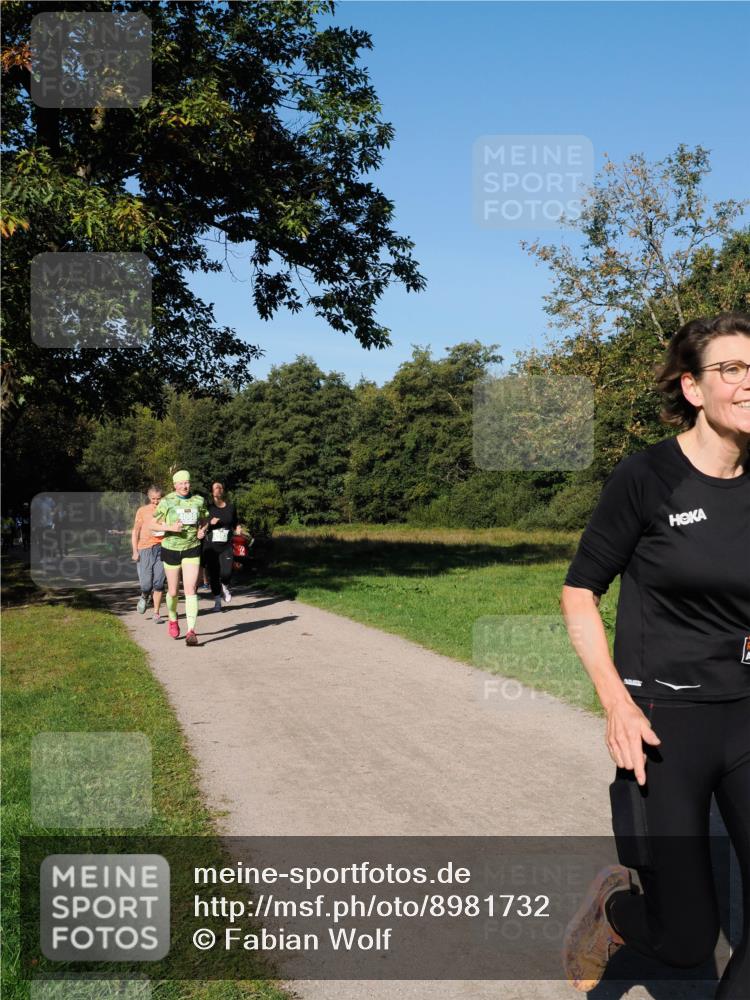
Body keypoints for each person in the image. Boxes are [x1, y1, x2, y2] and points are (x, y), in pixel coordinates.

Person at [560, 312, 750, 997]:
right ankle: (614, 908)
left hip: (746, 715)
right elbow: (579, 593)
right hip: (662, 723)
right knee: (686, 941)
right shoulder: (648, 478)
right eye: (732, 370)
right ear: (694, 389)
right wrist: (617, 702)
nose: (749, 384)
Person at [149, 470, 209, 646]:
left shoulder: (198, 500)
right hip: (171, 548)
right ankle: (173, 618)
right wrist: (170, 527)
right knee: (174, 591)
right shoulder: (167, 501)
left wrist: (202, 530)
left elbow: (205, 519)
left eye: (187, 482)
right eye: (181, 483)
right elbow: (152, 524)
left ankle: (191, 631)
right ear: (175, 485)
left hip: (192, 547)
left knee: (190, 589)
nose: (185, 486)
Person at [131, 486, 166, 623]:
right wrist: (135, 551)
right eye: (153, 499)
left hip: (162, 547)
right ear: (149, 497)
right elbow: (136, 532)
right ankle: (145, 595)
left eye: (158, 499)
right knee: (146, 584)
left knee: (159, 583)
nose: (156, 502)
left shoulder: (166, 510)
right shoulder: (142, 511)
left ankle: (156, 613)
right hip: (144, 548)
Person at [202, 480, 238, 611]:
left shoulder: (231, 507)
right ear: (212, 492)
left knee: (226, 572)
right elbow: (202, 526)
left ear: (223, 491)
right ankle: (217, 600)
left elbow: (235, 523)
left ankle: (225, 586)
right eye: (215, 488)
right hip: (211, 546)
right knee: (213, 573)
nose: (218, 489)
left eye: (220, 487)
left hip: (226, 545)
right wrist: (210, 523)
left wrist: (238, 528)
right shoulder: (208, 508)